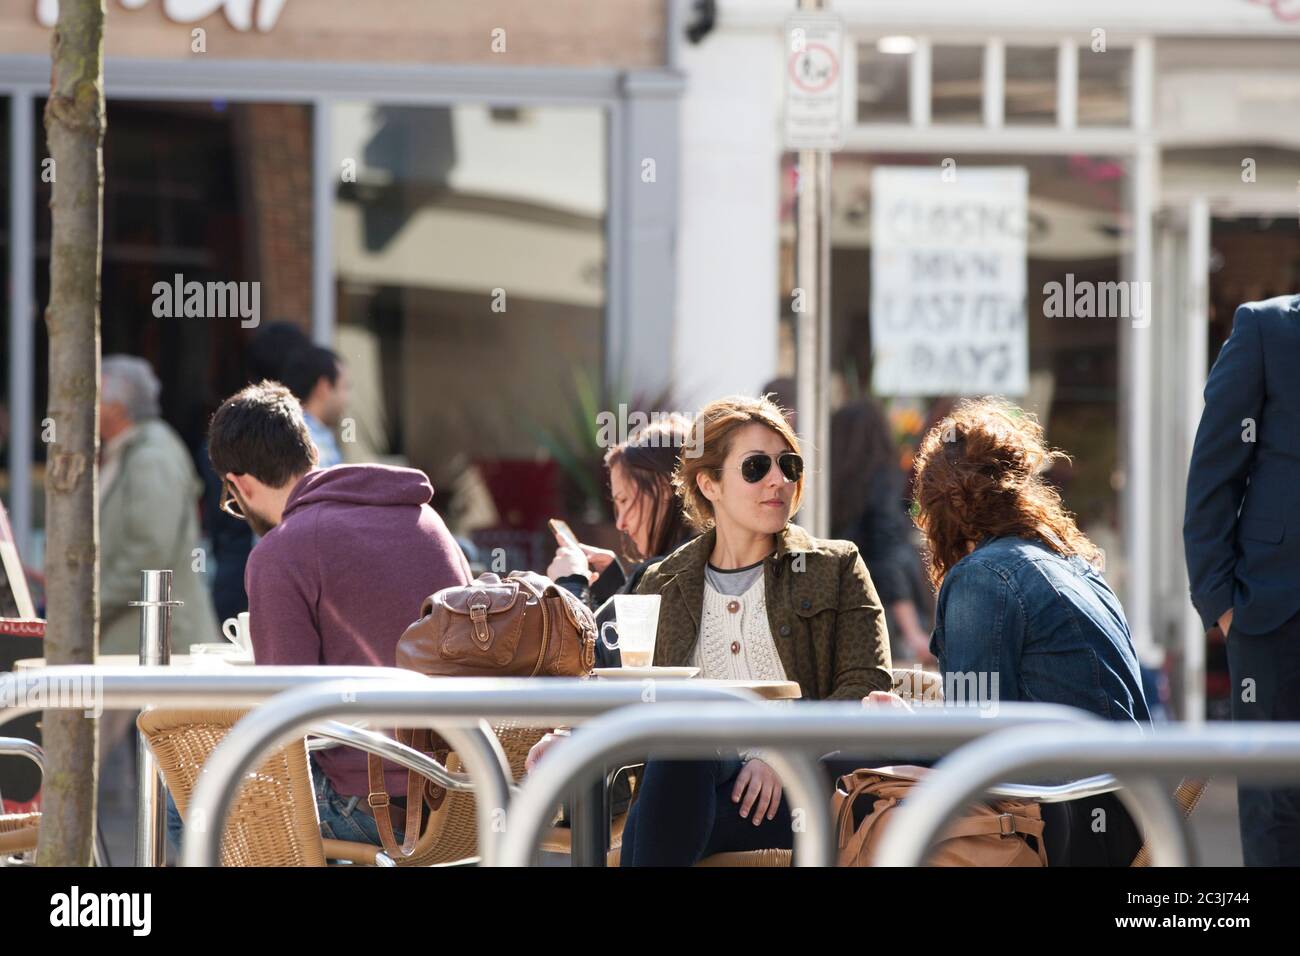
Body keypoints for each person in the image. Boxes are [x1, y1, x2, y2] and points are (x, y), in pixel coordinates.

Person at [534, 394, 892, 866]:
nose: (778, 481)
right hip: (692, 776)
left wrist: (782, 754)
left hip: (805, 791)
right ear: (709, 483)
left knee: (653, 816)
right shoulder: (664, 580)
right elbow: (623, 683)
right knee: (686, 742)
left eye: (788, 465)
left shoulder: (835, 566)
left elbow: (867, 689)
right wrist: (568, 731)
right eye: (756, 467)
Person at [203, 380, 471, 847]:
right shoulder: (427, 521)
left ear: (239, 484)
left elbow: (284, 715)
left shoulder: (282, 551)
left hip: (376, 803)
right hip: (466, 792)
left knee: (189, 796)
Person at [909, 397, 1150, 865]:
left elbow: (973, 734)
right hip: (1128, 812)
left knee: (858, 790)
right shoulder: (1077, 566)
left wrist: (901, 723)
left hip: (1060, 823)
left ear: (939, 508)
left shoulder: (981, 575)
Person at [1184, 293, 1300, 866]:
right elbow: (1212, 473)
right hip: (1276, 617)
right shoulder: (1267, 329)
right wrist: (1225, 607)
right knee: (1275, 811)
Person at [98, 356, 220, 816]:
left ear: (117, 404)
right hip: (135, 630)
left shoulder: (151, 455)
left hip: (148, 633)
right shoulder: (135, 449)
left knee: (72, 748)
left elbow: (147, 551)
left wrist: (90, 607)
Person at [545, 415, 696, 666]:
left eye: (625, 501)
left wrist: (570, 585)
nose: (620, 523)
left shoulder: (668, 575)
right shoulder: (700, 557)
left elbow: (582, 662)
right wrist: (615, 584)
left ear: (663, 487)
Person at [831, 397, 934, 664]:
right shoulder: (882, 477)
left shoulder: (826, 485)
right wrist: (912, 630)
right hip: (880, 612)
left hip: (836, 605)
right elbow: (885, 551)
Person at [282, 345, 349, 468]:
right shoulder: (313, 441)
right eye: (344, 387)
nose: (346, 399)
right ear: (324, 387)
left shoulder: (285, 432)